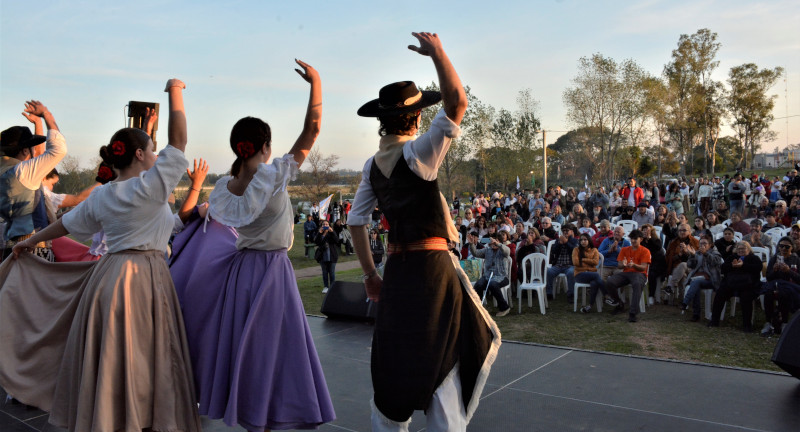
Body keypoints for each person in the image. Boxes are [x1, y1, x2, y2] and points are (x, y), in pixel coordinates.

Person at [2, 80, 201, 431]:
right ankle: (144, 417)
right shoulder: (152, 187)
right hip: (145, 278)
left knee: (115, 355)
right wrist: (176, 92)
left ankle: (113, 417)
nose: (156, 155)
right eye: (151, 149)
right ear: (139, 155)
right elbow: (180, 141)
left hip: (108, 278)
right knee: (146, 353)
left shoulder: (104, 195)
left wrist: (27, 243)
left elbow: (62, 227)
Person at [348, 32, 499, 431]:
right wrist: (439, 52)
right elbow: (457, 103)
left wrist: (370, 275)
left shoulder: (370, 166)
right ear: (415, 118)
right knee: (444, 359)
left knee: (397, 359)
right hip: (431, 273)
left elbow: (355, 222)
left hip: (396, 274)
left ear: (383, 120)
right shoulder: (418, 155)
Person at [174, 62, 335, 430]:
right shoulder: (273, 176)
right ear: (265, 146)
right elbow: (312, 130)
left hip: (240, 272)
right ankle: (271, 414)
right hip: (271, 271)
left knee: (245, 348)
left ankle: (251, 412)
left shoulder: (223, 189)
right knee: (274, 351)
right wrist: (317, 84)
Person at [1, 101, 66, 260]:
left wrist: (38, 123)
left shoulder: (7, 172)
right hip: (32, 248)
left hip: (11, 245)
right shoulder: (22, 172)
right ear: (24, 150)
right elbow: (58, 150)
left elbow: (37, 157)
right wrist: (47, 116)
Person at [709, 242, 763, 332]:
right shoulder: (732, 257)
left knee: (746, 297)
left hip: (748, 284)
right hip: (732, 283)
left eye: (743, 249)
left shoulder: (754, 258)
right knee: (720, 293)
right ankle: (714, 320)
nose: (741, 250)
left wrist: (743, 266)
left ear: (748, 249)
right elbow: (723, 268)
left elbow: (758, 268)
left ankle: (747, 325)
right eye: (739, 249)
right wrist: (732, 266)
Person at [604, 229, 652, 322]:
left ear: (641, 239)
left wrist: (634, 265)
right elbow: (619, 265)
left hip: (640, 274)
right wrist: (624, 265)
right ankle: (619, 304)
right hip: (626, 273)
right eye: (631, 239)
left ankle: (633, 313)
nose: (633, 241)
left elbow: (643, 267)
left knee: (637, 284)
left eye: (635, 238)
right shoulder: (624, 250)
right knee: (610, 281)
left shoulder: (645, 251)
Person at [760, 237, 800, 336]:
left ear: (792, 248)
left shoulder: (796, 259)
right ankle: (768, 322)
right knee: (768, 294)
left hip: (791, 287)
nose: (784, 249)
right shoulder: (774, 259)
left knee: (784, 294)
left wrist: (789, 271)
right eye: (781, 246)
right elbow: (769, 277)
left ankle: (784, 322)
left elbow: (799, 279)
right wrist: (774, 270)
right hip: (776, 286)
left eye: (787, 247)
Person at [678, 237, 724, 322]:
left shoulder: (715, 253)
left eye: (704, 243)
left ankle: (685, 303)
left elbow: (715, 262)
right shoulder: (697, 253)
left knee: (696, 282)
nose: (702, 245)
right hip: (697, 278)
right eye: (701, 244)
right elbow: (690, 265)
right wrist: (692, 255)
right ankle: (696, 314)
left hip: (711, 280)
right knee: (696, 284)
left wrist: (706, 254)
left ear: (710, 245)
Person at [469, 233, 511, 316]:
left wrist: (497, 244)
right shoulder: (487, 250)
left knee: (493, 284)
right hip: (488, 276)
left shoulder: (503, 250)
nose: (493, 243)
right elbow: (475, 253)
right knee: (478, 284)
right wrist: (471, 244)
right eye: (492, 241)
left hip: (501, 276)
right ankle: (477, 307)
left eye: (495, 241)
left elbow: (507, 251)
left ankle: (504, 307)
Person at [664, 223, 699, 296]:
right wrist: (679, 255)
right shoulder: (673, 243)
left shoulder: (695, 242)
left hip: (692, 268)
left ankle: (670, 286)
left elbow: (699, 258)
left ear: (689, 232)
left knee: (683, 264)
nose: (682, 232)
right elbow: (670, 259)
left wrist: (687, 252)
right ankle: (683, 301)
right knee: (683, 276)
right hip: (677, 268)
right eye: (680, 230)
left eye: (684, 230)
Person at [574, 233, 606, 314]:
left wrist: (583, 259)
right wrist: (589, 263)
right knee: (596, 275)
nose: (583, 242)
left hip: (591, 275)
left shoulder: (594, 250)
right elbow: (576, 262)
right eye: (581, 240)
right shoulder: (576, 250)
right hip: (580, 274)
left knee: (595, 282)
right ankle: (607, 295)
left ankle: (590, 306)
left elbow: (595, 262)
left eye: (585, 240)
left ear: (589, 240)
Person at [546, 224, 578, 299]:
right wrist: (559, 245)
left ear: (571, 231)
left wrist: (566, 243)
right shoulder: (558, 240)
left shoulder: (575, 241)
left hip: (570, 265)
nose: (565, 232)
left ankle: (571, 294)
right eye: (563, 231)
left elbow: (574, 251)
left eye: (567, 231)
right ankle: (549, 293)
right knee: (549, 272)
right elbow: (553, 251)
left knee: (570, 273)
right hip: (558, 265)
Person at [315, 220, 340, 293]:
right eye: (324, 224)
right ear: (321, 226)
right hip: (323, 256)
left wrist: (332, 232)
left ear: (329, 225)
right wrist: (320, 233)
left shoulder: (331, 233)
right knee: (325, 272)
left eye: (327, 224)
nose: (325, 225)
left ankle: (332, 287)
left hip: (332, 256)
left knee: (332, 272)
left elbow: (337, 241)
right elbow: (317, 242)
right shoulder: (320, 233)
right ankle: (326, 286)